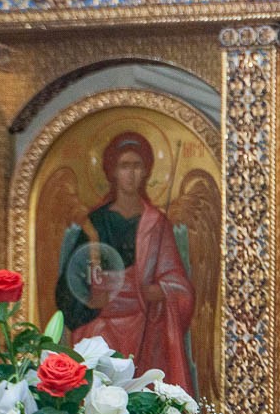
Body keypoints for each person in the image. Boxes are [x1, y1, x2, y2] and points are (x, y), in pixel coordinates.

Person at [54, 131, 198, 393]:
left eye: (137, 166)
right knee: (96, 342)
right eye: (124, 166)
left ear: (146, 171)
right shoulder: (95, 223)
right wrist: (93, 299)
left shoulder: (156, 224)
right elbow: (72, 283)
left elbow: (180, 286)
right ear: (112, 172)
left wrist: (158, 291)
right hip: (101, 320)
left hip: (145, 322)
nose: (131, 174)